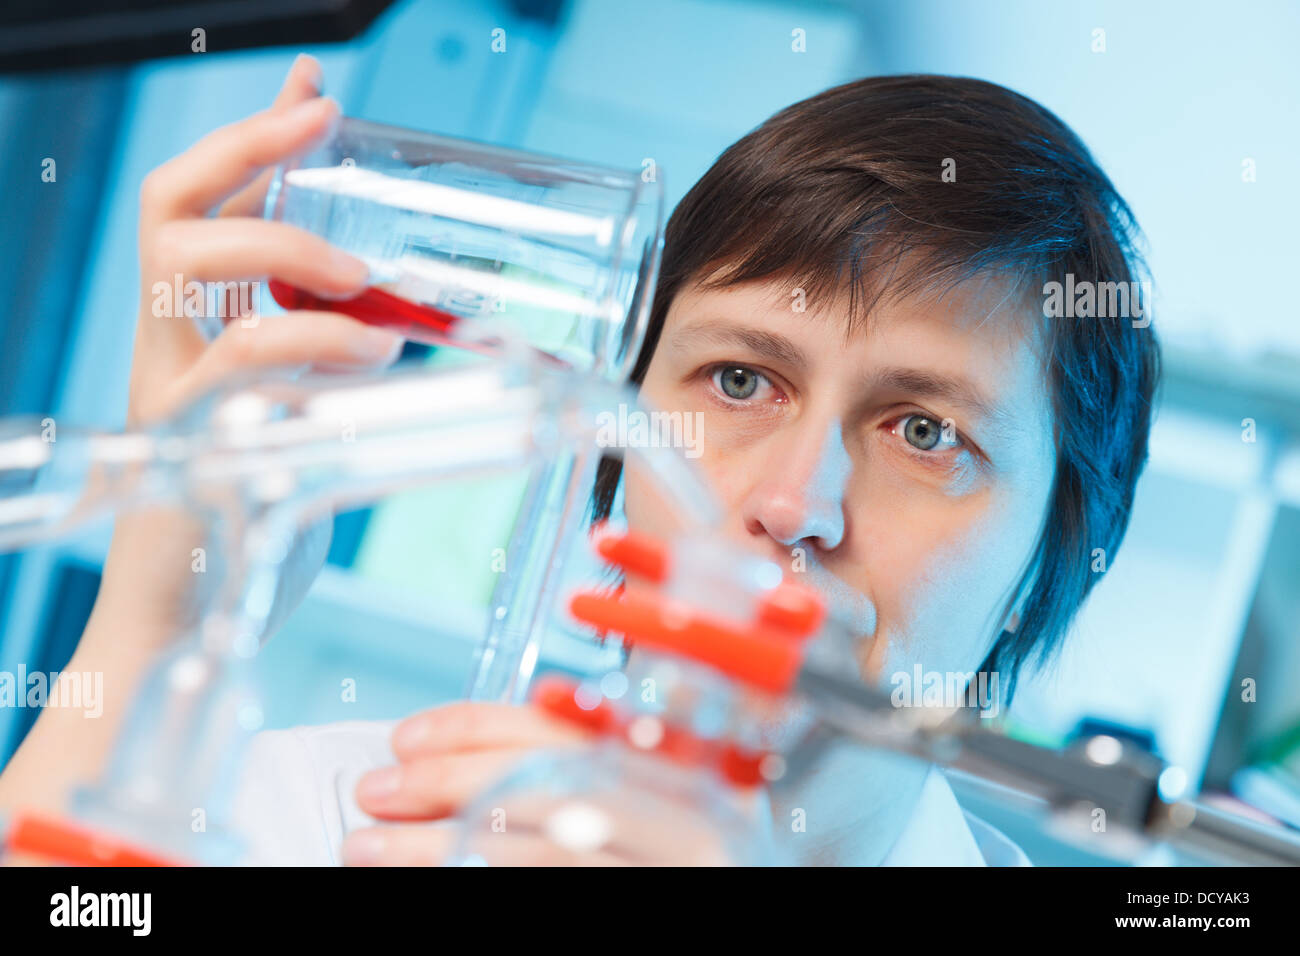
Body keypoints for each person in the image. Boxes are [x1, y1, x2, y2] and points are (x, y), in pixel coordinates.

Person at [0, 55, 1159, 866]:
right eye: (742, 380)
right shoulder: (335, 813)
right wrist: (159, 614)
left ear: (1045, 566)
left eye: (925, 433)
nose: (792, 504)